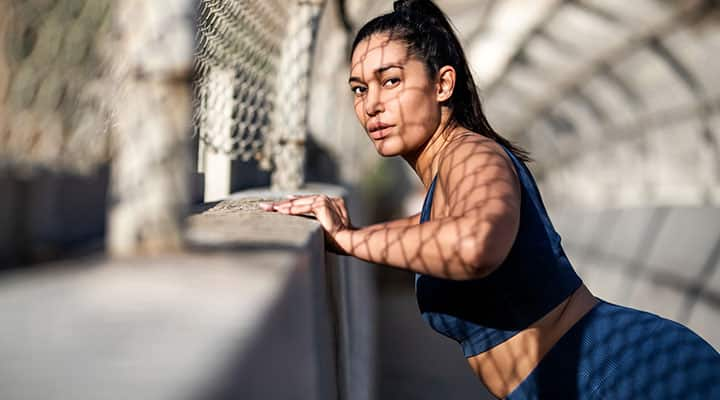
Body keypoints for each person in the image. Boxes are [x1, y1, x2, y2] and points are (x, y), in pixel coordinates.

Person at [260, 0, 720, 398]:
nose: (371, 104)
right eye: (360, 89)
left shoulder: (471, 153)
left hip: (623, 374)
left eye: (392, 81)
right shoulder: (445, 178)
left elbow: (475, 244)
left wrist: (352, 241)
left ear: (443, 85)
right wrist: (348, 236)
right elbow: (427, 232)